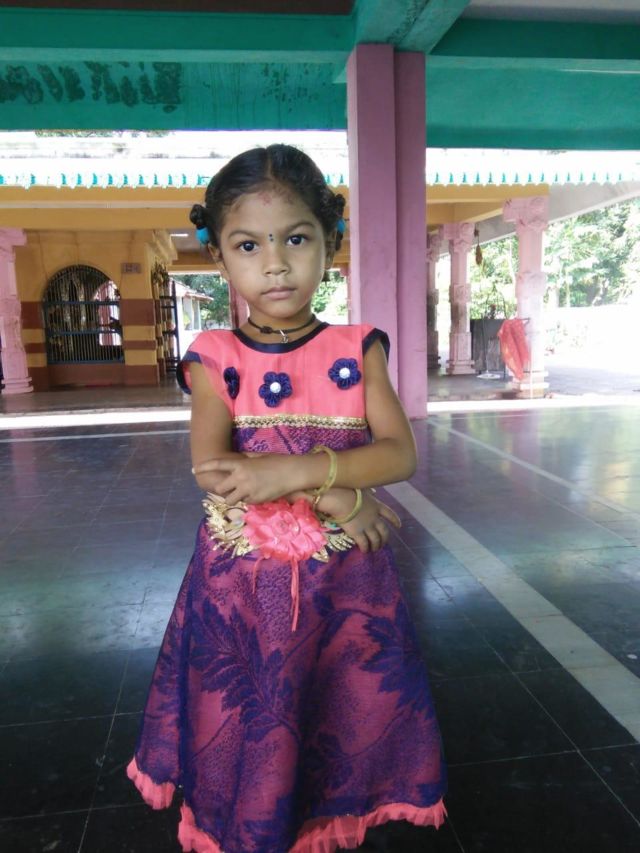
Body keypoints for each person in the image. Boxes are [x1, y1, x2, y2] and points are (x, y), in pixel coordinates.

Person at [127, 144, 447, 852]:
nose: (275, 264)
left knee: (339, 700)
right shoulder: (215, 355)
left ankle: (326, 811)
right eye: (249, 245)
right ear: (220, 258)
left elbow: (399, 453)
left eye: (296, 239)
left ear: (330, 243)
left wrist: (293, 473)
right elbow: (214, 470)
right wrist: (338, 498)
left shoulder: (359, 347)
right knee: (255, 711)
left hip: (346, 582)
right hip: (243, 587)